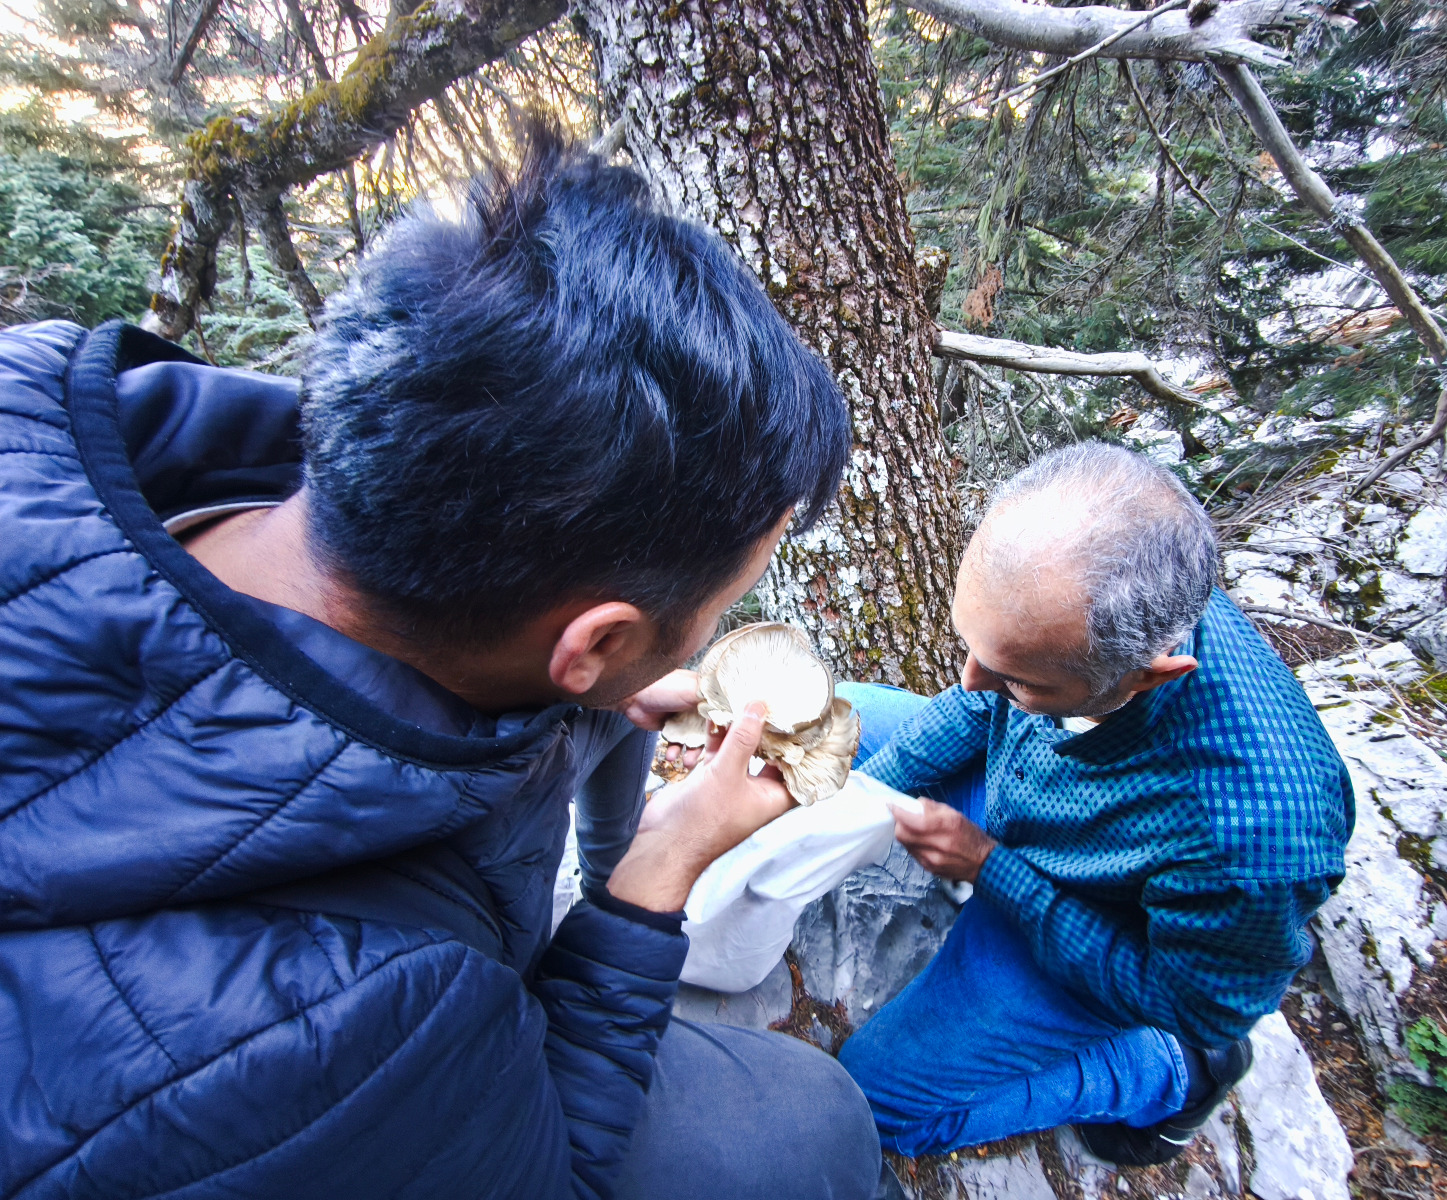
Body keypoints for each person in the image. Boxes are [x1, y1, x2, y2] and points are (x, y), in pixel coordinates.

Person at [0, 126, 883, 1199]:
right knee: (817, 1118)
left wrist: (591, 699)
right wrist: (651, 882)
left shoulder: (49, 405)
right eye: (718, 610)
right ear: (592, 640)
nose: (709, 639)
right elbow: (554, 1178)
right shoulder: (352, 1031)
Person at [833, 443, 1355, 1168]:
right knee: (853, 718)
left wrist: (991, 869)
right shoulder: (1109, 589)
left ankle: (1162, 1076)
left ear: (1150, 675)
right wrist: (857, 796)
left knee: (866, 1106)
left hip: (1099, 917)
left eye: (1015, 680)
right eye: (971, 646)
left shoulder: (1251, 843)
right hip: (1031, 808)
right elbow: (980, 703)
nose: (970, 680)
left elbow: (1191, 1002)